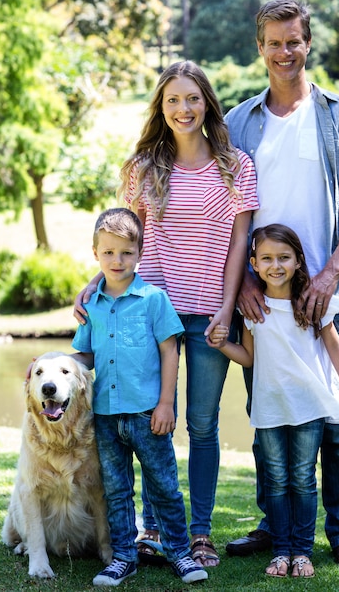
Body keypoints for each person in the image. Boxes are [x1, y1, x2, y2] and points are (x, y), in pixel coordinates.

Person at [74, 61, 259, 567]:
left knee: (201, 425)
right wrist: (97, 280)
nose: (183, 109)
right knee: (150, 423)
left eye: (193, 98)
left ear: (207, 104)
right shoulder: (143, 167)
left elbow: (239, 241)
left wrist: (226, 309)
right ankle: (153, 530)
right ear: (161, 106)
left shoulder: (235, 167)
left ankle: (198, 535)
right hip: (147, 315)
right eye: (173, 100)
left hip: (207, 315)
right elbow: (122, 240)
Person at [220, 0, 339, 566]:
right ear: (259, 47)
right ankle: (276, 524)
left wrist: (330, 274)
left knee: (338, 417)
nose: (284, 52)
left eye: (294, 41)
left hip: (329, 294)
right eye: (274, 42)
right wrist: (239, 286)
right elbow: (226, 215)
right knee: (270, 417)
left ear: (307, 44)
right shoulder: (238, 123)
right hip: (264, 301)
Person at [208, 224, 339, 578]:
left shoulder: (310, 303)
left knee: (303, 478)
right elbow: (249, 357)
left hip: (308, 405)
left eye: (284, 258)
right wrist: (222, 344)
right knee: (276, 479)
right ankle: (281, 552)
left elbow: (336, 347)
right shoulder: (253, 309)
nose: (276, 265)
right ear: (254, 264)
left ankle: (302, 553)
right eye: (267, 259)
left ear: (297, 261)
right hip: (270, 406)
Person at [71, 208, 208, 586]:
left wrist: (166, 403)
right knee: (116, 490)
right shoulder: (91, 306)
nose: (117, 261)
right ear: (95, 253)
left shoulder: (153, 299)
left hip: (149, 413)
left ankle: (180, 553)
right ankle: (124, 557)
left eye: (126, 253)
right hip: (106, 415)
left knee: (163, 486)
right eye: (109, 252)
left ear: (140, 252)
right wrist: (54, 363)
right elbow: (85, 357)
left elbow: (170, 351)